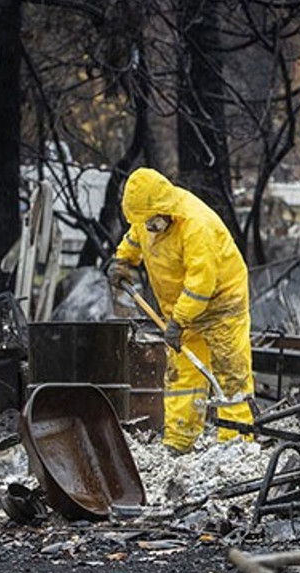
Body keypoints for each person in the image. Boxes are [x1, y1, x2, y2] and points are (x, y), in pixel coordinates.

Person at [107, 167, 254, 453]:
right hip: (180, 309)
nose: (147, 227)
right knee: (181, 375)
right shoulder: (146, 216)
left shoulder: (196, 225)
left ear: (166, 210)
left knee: (230, 371)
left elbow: (201, 283)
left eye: (151, 221)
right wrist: (122, 260)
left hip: (222, 303)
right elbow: (135, 239)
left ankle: (236, 441)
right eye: (143, 221)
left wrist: (179, 321)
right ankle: (179, 439)